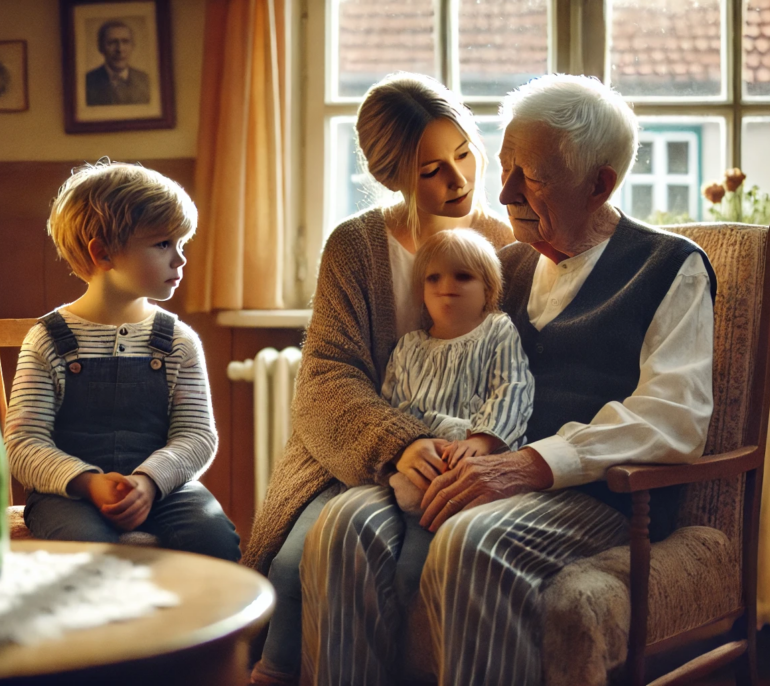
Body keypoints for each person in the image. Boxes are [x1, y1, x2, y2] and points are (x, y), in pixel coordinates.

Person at [299, 73, 717, 685]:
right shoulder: (501, 266)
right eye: (506, 165)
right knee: (342, 525)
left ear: (600, 183)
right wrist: (422, 449)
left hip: (597, 494)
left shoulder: (669, 266)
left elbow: (674, 416)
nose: (504, 190)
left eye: (533, 175)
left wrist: (531, 464)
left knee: (473, 541)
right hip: (483, 470)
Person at [244, 73, 514, 686]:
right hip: (348, 458)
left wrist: (464, 449)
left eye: (465, 153)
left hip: (456, 459)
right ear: (392, 175)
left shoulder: (505, 246)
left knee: (409, 572)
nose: (460, 180)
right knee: (291, 567)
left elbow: (513, 370)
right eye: (431, 170)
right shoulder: (356, 246)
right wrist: (398, 444)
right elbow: (324, 380)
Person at [4, 160, 240, 562]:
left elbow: (197, 436)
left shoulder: (179, 341)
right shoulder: (47, 340)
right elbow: (24, 444)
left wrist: (149, 481)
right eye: (163, 244)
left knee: (214, 541)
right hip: (68, 495)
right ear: (104, 253)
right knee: (88, 553)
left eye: (181, 244)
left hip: (164, 490)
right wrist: (88, 482)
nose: (180, 260)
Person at [383, 228, 533, 518]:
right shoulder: (409, 346)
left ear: (488, 289)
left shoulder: (498, 331)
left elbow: (512, 388)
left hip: (482, 457)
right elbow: (392, 405)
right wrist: (408, 444)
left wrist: (482, 440)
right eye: (433, 278)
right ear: (421, 292)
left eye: (462, 276)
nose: (446, 285)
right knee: (400, 505)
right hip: (423, 458)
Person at [85, 20, 150, 106]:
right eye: (112, 43)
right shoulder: (88, 82)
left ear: (132, 46)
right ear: (101, 47)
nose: (119, 49)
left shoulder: (145, 80)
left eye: (125, 42)